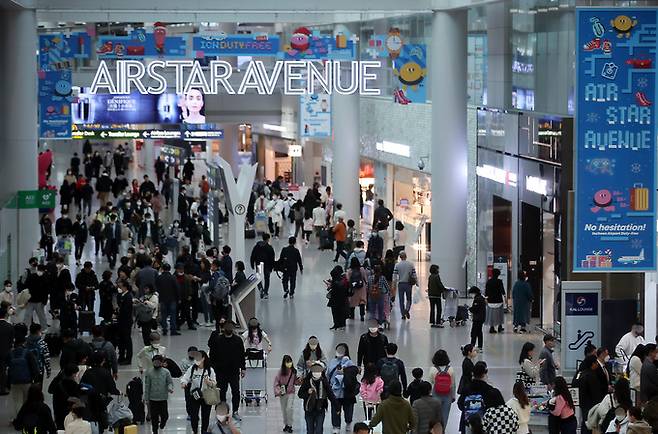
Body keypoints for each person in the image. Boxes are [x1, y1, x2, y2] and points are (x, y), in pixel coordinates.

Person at [208, 320, 245, 421]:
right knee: (222, 392)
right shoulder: (217, 340)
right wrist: (214, 368)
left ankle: (235, 411)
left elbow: (242, 355)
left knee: (236, 392)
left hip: (234, 371)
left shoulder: (238, 340)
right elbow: (212, 355)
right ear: (224, 328)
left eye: (231, 326)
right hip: (221, 372)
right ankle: (222, 411)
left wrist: (243, 368)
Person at [181, 350, 217, 434]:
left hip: (206, 395)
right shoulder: (192, 369)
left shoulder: (210, 370)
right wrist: (183, 383)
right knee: (194, 415)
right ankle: (195, 430)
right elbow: (185, 377)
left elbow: (214, 382)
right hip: (195, 395)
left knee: (205, 416)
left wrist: (209, 382)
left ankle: (204, 431)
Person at [327, 344, 359, 433]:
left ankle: (348, 422)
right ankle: (336, 426)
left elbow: (354, 372)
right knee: (335, 410)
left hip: (347, 391)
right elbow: (328, 374)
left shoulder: (349, 362)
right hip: (335, 391)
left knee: (348, 410)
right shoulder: (332, 361)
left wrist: (345, 369)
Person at [298, 361, 335, 434]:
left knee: (319, 430)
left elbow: (330, 394)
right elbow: (300, 394)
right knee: (310, 430)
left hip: (320, 409)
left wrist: (337, 406)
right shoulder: (307, 381)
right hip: (309, 410)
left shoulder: (324, 381)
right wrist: (307, 393)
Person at [9, 333, 40, 420]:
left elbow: (7, 368)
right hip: (27, 381)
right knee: (27, 400)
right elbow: (34, 367)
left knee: (16, 401)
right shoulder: (28, 353)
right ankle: (26, 417)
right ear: (24, 342)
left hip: (14, 381)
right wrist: (36, 379)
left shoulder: (10, 353)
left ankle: (17, 418)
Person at [457, 362, 494, 433]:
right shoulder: (488, 389)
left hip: (467, 422)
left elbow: (460, 404)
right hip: (484, 423)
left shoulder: (466, 388)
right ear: (484, 374)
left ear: (472, 373)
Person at [145, 354, 174, 434]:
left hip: (163, 398)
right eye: (155, 362)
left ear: (161, 363)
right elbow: (147, 386)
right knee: (154, 417)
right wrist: (146, 398)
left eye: (158, 362)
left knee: (165, 416)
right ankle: (154, 431)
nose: (156, 364)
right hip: (152, 399)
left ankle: (162, 424)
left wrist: (170, 388)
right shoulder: (149, 372)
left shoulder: (166, 372)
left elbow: (170, 382)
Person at [579, 355, 607, 434]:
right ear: (592, 364)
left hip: (584, 403)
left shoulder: (582, 374)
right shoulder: (592, 376)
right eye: (596, 363)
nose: (597, 365)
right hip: (591, 405)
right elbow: (595, 393)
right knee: (590, 424)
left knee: (584, 423)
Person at [426, 349, 454, 428]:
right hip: (448, 394)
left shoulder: (433, 369)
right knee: (445, 415)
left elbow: (430, 383)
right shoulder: (450, 369)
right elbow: (453, 384)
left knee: (435, 416)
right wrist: (453, 396)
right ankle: (443, 430)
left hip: (436, 394)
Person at [156, 263, 181, 336]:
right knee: (173, 315)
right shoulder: (173, 277)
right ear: (169, 269)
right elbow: (177, 288)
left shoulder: (159, 278)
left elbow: (156, 287)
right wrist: (178, 298)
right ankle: (173, 330)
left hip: (163, 299)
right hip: (172, 299)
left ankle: (164, 330)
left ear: (162, 269)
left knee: (164, 315)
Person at [274, 355, 297, 433]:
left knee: (289, 408)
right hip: (283, 393)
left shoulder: (294, 371)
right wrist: (278, 391)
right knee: (284, 410)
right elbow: (276, 382)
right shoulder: (280, 372)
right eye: (287, 362)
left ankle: (290, 425)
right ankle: (286, 424)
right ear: (284, 363)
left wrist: (300, 381)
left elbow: (295, 382)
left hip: (291, 392)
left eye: (290, 361)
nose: (289, 363)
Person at [250, 233, 275, 299]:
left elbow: (253, 255)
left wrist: (252, 263)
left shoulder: (257, 246)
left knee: (258, 277)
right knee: (267, 278)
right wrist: (272, 266)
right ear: (268, 239)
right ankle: (266, 292)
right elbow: (272, 257)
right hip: (267, 265)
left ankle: (261, 289)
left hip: (259, 263)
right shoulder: (269, 247)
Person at [393, 251, 416, 320]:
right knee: (409, 298)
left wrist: (394, 285)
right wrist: (417, 283)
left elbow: (394, 276)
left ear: (400, 257)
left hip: (400, 284)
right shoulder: (411, 264)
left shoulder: (397, 265)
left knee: (401, 300)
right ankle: (407, 309)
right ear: (406, 256)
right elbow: (414, 275)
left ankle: (403, 314)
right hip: (408, 284)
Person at [116, 280, 133, 365]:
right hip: (121, 321)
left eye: (120, 287)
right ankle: (121, 356)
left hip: (126, 321)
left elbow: (125, 309)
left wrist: (120, 310)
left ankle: (128, 358)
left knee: (127, 339)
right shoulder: (122, 296)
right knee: (121, 340)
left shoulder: (128, 296)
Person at [326, 265, 349, 330]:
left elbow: (335, 287)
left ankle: (336, 324)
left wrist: (330, 285)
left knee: (335, 312)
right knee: (341, 311)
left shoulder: (336, 280)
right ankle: (341, 324)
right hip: (342, 298)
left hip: (335, 299)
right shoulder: (343, 279)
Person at [347, 257, 368, 322]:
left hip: (354, 288)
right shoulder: (361, 269)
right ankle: (362, 315)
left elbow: (348, 280)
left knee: (352, 302)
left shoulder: (350, 271)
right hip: (362, 287)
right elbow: (365, 278)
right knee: (362, 301)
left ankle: (352, 315)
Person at [485, 268, 506, 333]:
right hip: (498, 300)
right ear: (498, 274)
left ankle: (492, 327)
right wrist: (505, 297)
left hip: (490, 300)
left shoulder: (489, 281)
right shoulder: (499, 281)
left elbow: (486, 291)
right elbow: (502, 291)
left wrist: (486, 298)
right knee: (499, 314)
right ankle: (500, 326)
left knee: (491, 314)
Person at [0, 305, 14, 395]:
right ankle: (2, 388)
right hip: (5, 352)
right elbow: (11, 341)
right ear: (6, 315)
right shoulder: (9, 327)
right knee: (3, 370)